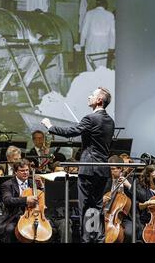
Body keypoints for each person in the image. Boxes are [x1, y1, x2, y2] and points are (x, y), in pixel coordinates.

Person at [41, 86, 115, 243]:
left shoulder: (91, 118)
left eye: (92, 95)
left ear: (99, 100)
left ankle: (87, 240)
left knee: (86, 208)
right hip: (102, 170)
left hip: (88, 168)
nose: (89, 96)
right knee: (97, 207)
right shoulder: (110, 121)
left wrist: (50, 127)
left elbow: (71, 132)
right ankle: (98, 239)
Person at [0, 159, 44, 242]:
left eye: (27, 170)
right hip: (13, 216)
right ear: (15, 172)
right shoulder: (7, 184)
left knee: (44, 229)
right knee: (10, 229)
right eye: (22, 171)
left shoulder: (33, 183)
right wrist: (26, 200)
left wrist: (41, 187)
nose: (25, 172)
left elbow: (42, 199)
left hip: (33, 216)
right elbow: (7, 200)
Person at [76, 0, 115, 71]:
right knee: (102, 66)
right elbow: (113, 33)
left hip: (91, 43)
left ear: (96, 4)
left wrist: (82, 45)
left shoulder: (89, 14)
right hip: (104, 44)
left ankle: (91, 80)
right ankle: (99, 81)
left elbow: (84, 31)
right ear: (105, 5)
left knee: (90, 64)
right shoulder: (110, 15)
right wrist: (112, 48)